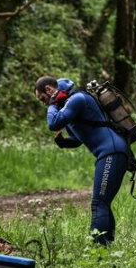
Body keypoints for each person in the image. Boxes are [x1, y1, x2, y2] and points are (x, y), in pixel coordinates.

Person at [35, 76, 129, 245]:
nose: (44, 103)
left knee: (98, 203)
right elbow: (78, 139)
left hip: (112, 151)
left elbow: (54, 123)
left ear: (49, 90)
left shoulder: (77, 98)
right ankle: (108, 245)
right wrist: (64, 143)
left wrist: (52, 104)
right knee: (103, 202)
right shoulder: (67, 104)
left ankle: (98, 249)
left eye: (43, 99)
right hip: (110, 152)